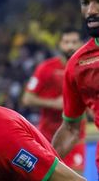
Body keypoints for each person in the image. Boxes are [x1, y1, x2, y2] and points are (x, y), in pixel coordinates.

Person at [22, 29, 85, 173]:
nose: (70, 46)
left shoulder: (85, 67)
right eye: (66, 42)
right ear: (60, 44)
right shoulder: (45, 68)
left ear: (81, 44)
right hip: (48, 137)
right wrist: (54, 103)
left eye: (74, 42)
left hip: (75, 136)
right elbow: (27, 98)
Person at [53, 0, 99, 173]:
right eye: (85, 3)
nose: (91, 11)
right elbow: (71, 129)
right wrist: (40, 168)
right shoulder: (77, 64)